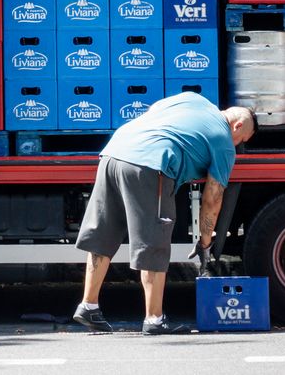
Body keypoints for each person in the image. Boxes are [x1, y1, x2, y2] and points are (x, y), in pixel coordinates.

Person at [72, 92, 256, 334]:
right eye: (240, 140)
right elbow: (212, 197)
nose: (237, 145)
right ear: (238, 125)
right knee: (154, 240)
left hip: (114, 151)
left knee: (103, 234)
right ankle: (154, 319)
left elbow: (155, 108)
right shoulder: (223, 140)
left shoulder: (193, 99)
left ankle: (89, 305)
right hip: (150, 164)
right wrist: (205, 241)